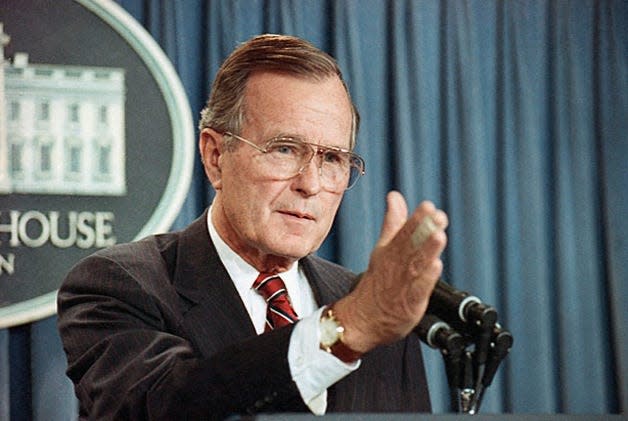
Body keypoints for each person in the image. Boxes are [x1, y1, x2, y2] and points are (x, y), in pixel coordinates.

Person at [57, 34, 448, 419]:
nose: (310, 184)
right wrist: (345, 330)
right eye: (284, 149)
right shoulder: (119, 286)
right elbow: (165, 406)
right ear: (215, 157)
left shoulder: (375, 309)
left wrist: (361, 321)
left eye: (331, 158)